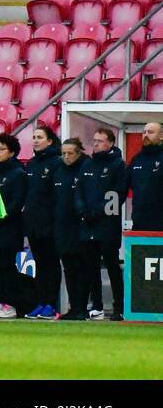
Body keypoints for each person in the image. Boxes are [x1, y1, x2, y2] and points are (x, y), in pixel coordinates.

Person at [82, 127, 127, 320]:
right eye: (94, 141)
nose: (96, 144)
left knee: (112, 266)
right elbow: (79, 192)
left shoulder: (118, 165)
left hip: (107, 224)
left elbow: (117, 194)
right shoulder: (88, 165)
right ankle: (97, 305)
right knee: (90, 267)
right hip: (87, 224)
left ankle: (119, 307)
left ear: (110, 143)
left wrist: (98, 212)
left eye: (99, 141)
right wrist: (83, 211)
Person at [0, 133, 28, 321]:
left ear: (12, 152)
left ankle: (9, 303)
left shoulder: (18, 174)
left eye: (1, 149)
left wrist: (0, 216)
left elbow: (16, 203)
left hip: (9, 228)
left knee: (6, 265)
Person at [24, 123, 62, 319]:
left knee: (51, 263)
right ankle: (41, 302)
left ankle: (51, 304)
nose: (36, 141)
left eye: (40, 137)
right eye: (34, 137)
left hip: (50, 224)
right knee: (40, 263)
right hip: (33, 223)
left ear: (49, 140)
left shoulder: (56, 163)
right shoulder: (31, 164)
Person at [52, 137, 92, 321]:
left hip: (81, 227)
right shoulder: (59, 171)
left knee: (81, 268)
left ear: (79, 153)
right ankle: (73, 307)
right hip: (62, 227)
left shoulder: (86, 169)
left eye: (70, 153)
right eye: (64, 153)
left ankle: (83, 307)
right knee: (68, 269)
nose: (66, 157)